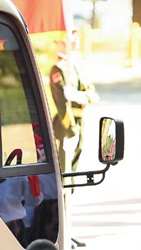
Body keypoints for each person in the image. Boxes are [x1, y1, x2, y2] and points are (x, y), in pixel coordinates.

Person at [50, 29, 99, 175]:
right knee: (64, 172)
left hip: (80, 122)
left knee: (74, 170)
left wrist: (78, 96)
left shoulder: (77, 65)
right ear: (61, 41)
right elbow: (61, 105)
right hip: (65, 126)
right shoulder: (58, 69)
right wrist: (70, 131)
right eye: (71, 34)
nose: (76, 37)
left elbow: (94, 95)